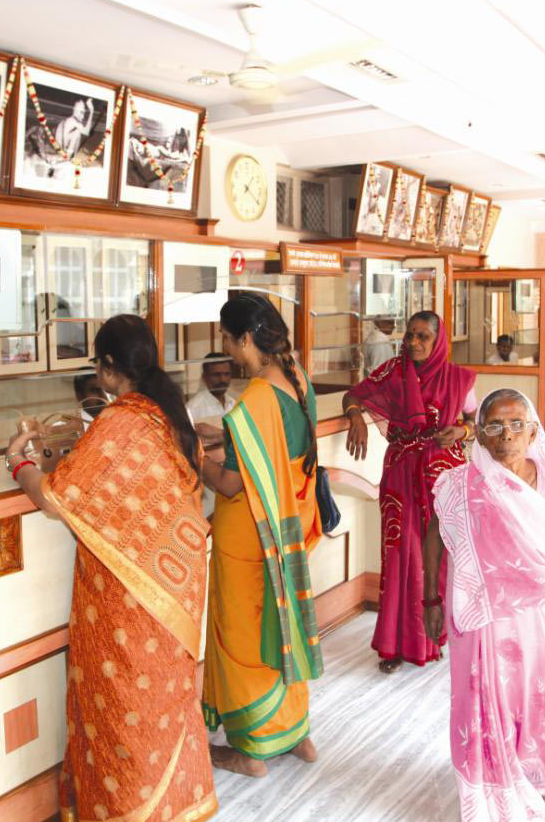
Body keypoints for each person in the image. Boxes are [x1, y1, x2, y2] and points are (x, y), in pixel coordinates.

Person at [6, 314, 217, 822]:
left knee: (123, 705)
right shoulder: (169, 414)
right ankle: (175, 804)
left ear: (106, 366)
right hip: (176, 583)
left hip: (126, 596)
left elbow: (56, 500)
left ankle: (126, 810)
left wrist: (20, 465)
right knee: (166, 699)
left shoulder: (120, 421)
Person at [200, 292, 323, 776]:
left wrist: (198, 457)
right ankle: (296, 735)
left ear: (248, 338)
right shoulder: (298, 380)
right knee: (283, 625)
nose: (228, 352)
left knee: (245, 635)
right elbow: (273, 454)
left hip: (248, 536)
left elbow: (232, 482)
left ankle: (250, 749)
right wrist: (226, 438)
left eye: (229, 341)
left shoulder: (254, 399)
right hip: (285, 528)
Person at [425, 389, 545, 819]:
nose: (506, 435)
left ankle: (531, 769)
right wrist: (430, 599)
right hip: (482, 618)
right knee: (483, 696)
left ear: (533, 430)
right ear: (477, 433)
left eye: (516, 425)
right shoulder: (460, 483)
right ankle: (487, 777)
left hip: (536, 617)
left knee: (532, 694)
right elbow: (435, 532)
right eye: (494, 425)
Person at [342, 311, 476, 673]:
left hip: (441, 475)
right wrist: (355, 415)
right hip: (401, 473)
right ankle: (394, 644)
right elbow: (354, 394)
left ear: (438, 341)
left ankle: (436, 635)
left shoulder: (457, 378)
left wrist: (461, 433)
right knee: (400, 553)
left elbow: (474, 422)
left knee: (439, 556)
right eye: (410, 336)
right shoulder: (392, 371)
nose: (413, 343)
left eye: (423, 337)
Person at [187, 354, 236, 519]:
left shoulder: (234, 404)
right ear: (204, 377)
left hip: (232, 481)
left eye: (226, 374)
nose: (222, 379)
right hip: (207, 487)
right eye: (216, 375)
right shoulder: (193, 409)